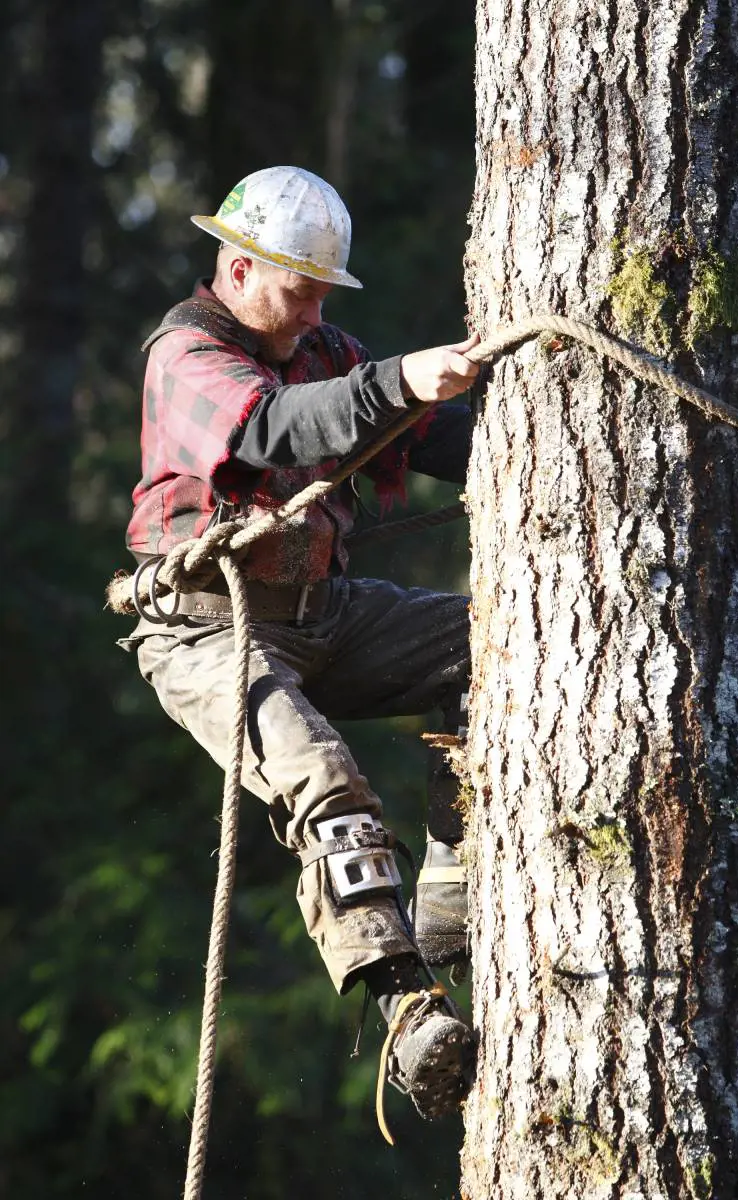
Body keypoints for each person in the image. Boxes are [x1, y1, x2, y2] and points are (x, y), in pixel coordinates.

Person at [119, 165, 479, 1129]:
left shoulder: (323, 349)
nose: (315, 307)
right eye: (299, 285)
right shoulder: (186, 356)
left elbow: (435, 436)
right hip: (211, 633)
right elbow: (277, 428)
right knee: (319, 774)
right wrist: (398, 378)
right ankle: (406, 1005)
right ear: (236, 270)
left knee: (494, 642)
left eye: (326, 290)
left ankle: (451, 867)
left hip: (326, 611)